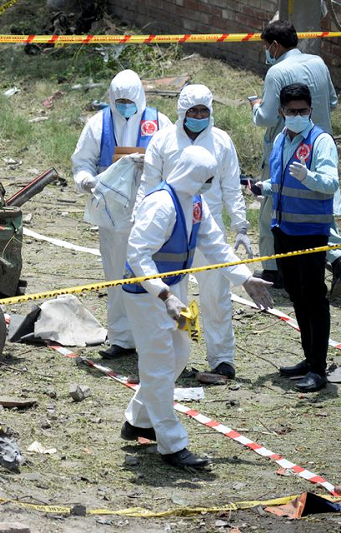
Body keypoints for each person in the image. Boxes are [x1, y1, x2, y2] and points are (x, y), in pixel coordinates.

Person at [121, 145, 273, 468]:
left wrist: (245, 278)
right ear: (192, 175)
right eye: (206, 178)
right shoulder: (161, 205)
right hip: (147, 294)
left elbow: (216, 247)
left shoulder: (196, 204)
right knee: (160, 364)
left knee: (180, 353)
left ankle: (137, 419)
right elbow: (137, 255)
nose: (208, 184)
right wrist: (164, 295)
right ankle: (172, 445)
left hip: (175, 288)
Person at [135, 84, 250, 379]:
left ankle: (222, 358)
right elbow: (149, 185)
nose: (198, 116)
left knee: (216, 297)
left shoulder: (222, 142)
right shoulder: (163, 141)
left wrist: (240, 225)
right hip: (171, 232)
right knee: (174, 296)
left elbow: (231, 186)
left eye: (203, 111)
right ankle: (177, 358)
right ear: (182, 112)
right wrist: (141, 220)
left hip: (208, 228)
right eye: (193, 111)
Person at [71, 69, 173, 360]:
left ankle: (151, 337)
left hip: (150, 211)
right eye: (120, 100)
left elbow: (173, 158)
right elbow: (82, 161)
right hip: (113, 214)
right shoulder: (98, 123)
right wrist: (86, 181)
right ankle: (121, 338)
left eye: (130, 100)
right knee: (116, 275)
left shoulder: (159, 122)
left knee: (150, 275)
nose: (125, 106)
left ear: (140, 97)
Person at [250, 20, 341, 296]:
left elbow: (266, 118)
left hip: (287, 149)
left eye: (266, 47)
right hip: (320, 143)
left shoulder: (277, 72)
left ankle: (274, 270)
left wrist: (255, 106)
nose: (266, 52)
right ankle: (338, 255)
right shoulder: (319, 63)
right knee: (318, 209)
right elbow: (332, 102)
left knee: (275, 209)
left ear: (274, 45)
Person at [260, 83, 339, 393]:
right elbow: (281, 181)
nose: (296, 115)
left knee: (314, 298)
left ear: (310, 111)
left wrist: (310, 178)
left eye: (302, 111)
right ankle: (308, 359)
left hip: (310, 232)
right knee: (296, 296)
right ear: (281, 112)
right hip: (284, 230)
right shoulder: (280, 139)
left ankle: (318, 369)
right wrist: (263, 187)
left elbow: (330, 183)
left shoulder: (320, 142)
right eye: (291, 111)